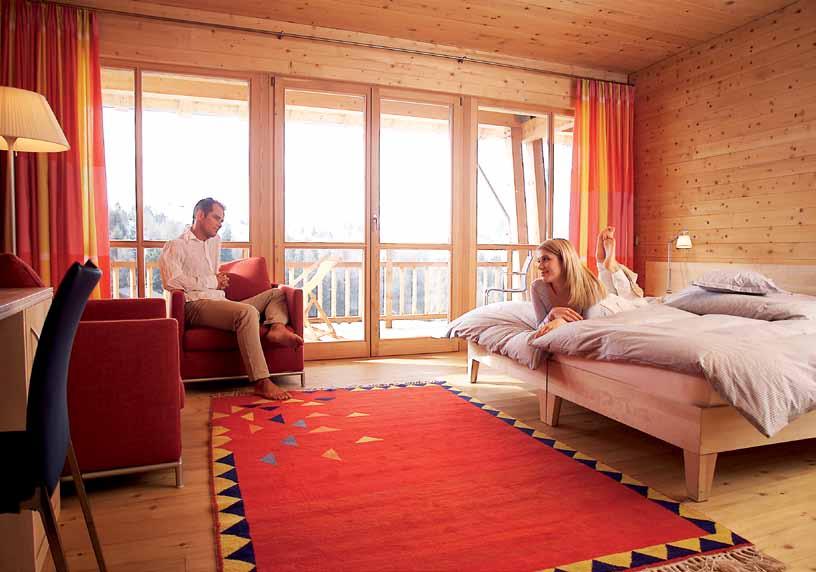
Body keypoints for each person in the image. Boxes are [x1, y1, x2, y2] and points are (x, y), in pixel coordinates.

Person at [159, 198, 303, 400]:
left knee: (276, 294)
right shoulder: (176, 245)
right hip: (195, 305)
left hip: (220, 303)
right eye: (216, 218)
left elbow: (211, 275)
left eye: (221, 220)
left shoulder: (214, 242)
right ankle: (261, 381)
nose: (220, 224)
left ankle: (277, 328)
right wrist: (212, 281)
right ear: (200, 215)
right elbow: (171, 281)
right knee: (247, 312)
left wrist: (219, 281)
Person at [529, 238, 607, 339]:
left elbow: (588, 331)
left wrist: (561, 322)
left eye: (546, 259)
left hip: (610, 306)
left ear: (564, 260)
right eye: (539, 261)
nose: (540, 266)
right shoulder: (537, 287)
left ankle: (607, 263)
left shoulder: (590, 287)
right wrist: (550, 316)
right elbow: (540, 330)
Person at [594, 226, 644, 300]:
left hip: (605, 299)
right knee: (630, 297)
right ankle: (608, 265)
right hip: (604, 299)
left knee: (629, 297)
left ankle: (612, 267)